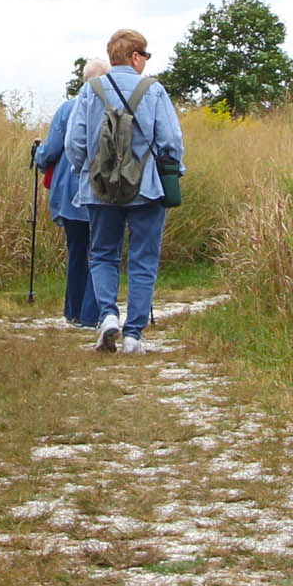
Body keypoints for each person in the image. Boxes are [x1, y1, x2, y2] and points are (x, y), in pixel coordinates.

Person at [65, 29, 185, 355]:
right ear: (135, 56)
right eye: (145, 56)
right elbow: (170, 141)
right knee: (143, 260)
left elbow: (74, 143)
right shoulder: (154, 90)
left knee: (103, 254)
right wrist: (173, 171)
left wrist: (86, 173)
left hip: (100, 190)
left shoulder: (90, 91)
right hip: (146, 188)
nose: (145, 62)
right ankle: (133, 335)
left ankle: (106, 316)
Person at [33, 59, 110, 326]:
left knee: (77, 250)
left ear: (84, 80)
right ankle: (92, 315)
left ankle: (73, 312)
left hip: (70, 191)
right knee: (100, 251)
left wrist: (38, 155)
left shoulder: (68, 108)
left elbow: (52, 149)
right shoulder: (112, 106)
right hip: (104, 190)